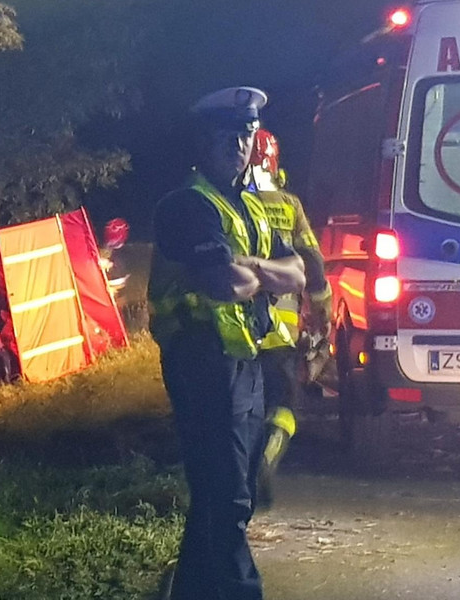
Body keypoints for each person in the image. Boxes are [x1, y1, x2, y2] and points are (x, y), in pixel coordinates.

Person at [149, 86, 306, 600]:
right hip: (200, 363)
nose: (239, 145)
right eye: (227, 135)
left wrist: (253, 268)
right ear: (202, 142)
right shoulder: (186, 206)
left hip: (245, 364)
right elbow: (223, 284)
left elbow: (299, 272)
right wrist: (264, 274)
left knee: (221, 495)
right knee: (228, 497)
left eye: (246, 134)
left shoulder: (252, 207)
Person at [247, 128, 333, 510]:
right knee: (283, 405)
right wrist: (323, 310)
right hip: (279, 333)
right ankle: (265, 461)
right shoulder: (288, 205)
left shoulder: (225, 204)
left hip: (231, 331)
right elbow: (312, 263)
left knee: (237, 407)